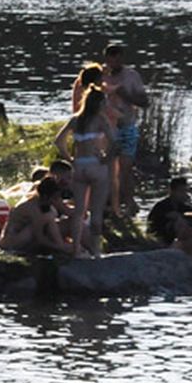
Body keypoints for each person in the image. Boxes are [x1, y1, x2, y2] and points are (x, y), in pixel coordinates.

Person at [54, 86, 115, 258]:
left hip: (79, 166)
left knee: (79, 211)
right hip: (95, 165)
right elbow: (115, 143)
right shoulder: (101, 120)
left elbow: (58, 141)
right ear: (99, 104)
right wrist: (106, 158)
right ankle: (96, 252)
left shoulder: (76, 119)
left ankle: (76, 250)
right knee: (96, 212)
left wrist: (70, 158)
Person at [101, 44, 149, 218]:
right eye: (111, 57)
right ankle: (111, 204)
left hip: (127, 126)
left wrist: (124, 94)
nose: (114, 61)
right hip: (106, 129)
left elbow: (145, 101)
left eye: (118, 57)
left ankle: (128, 203)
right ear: (106, 58)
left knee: (126, 168)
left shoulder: (131, 76)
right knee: (108, 169)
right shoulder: (101, 75)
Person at [0, 178, 73, 256]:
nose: (57, 200)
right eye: (55, 198)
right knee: (45, 219)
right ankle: (61, 246)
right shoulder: (32, 207)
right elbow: (40, 237)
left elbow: (52, 224)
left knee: (61, 222)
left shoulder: (47, 206)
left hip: (27, 237)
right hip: (12, 241)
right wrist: (59, 247)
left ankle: (65, 245)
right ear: (45, 196)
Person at [146, 176, 192, 244]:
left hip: (177, 240)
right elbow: (178, 220)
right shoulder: (161, 206)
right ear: (172, 191)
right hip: (160, 239)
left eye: (186, 191)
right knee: (183, 221)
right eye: (181, 191)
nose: (185, 194)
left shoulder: (183, 207)